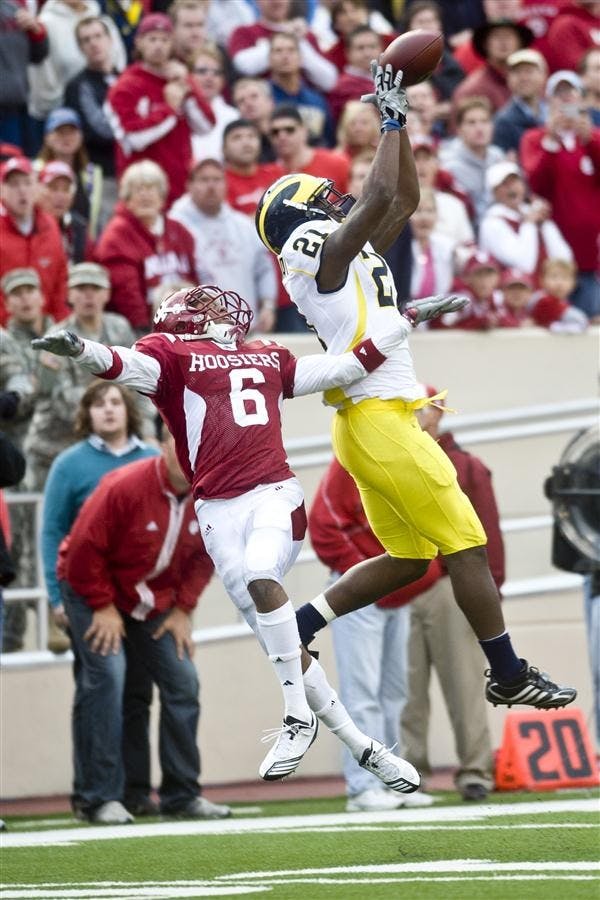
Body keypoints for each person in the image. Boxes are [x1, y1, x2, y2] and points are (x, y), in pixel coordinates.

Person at [254, 58, 577, 711]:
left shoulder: (339, 244)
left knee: (408, 559)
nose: (330, 194)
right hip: (378, 416)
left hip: (376, 419)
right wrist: (391, 117)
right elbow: (375, 198)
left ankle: (298, 627)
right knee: (466, 541)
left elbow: (400, 199)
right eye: (317, 193)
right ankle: (508, 672)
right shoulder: (312, 246)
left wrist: (400, 126)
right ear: (298, 211)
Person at [32, 282, 424, 791]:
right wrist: (80, 349)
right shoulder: (172, 358)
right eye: (199, 307)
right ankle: (361, 745)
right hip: (216, 508)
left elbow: (347, 367)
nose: (208, 310)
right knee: (276, 640)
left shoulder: (267, 356)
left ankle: (294, 716)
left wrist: (405, 319)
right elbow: (118, 363)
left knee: (263, 575)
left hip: (272, 494)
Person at [56, 420, 230, 824]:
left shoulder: (211, 497)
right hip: (91, 590)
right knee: (107, 677)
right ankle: (97, 797)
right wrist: (101, 606)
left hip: (153, 603)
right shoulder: (124, 485)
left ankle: (181, 794)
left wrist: (184, 609)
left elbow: (207, 555)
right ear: (164, 446)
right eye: (182, 447)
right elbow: (82, 551)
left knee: (183, 680)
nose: (191, 458)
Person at [41, 380, 159, 814]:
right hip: (85, 593)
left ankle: (136, 793)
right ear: (86, 413)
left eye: (115, 402)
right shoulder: (69, 465)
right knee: (102, 684)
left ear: (128, 410)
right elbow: (52, 532)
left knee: (138, 692)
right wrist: (56, 598)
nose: (108, 410)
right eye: (98, 404)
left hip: (141, 597)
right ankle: (95, 794)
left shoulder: (151, 458)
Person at [308, 455, 437, 812]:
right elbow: (323, 526)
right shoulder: (353, 459)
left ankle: (392, 781)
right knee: (362, 691)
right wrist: (366, 579)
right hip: (361, 595)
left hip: (397, 592)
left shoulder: (407, 457)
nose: (429, 419)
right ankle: (362, 786)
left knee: (394, 693)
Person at [401, 385, 500, 803]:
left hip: (449, 585)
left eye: (422, 409)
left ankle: (476, 770)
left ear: (437, 413)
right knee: (404, 687)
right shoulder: (394, 457)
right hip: (400, 580)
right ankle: (409, 771)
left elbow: (488, 533)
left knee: (464, 683)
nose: (415, 416)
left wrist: (490, 593)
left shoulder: (465, 465)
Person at [104, 12, 215, 207]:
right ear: (139, 42)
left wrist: (187, 86)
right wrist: (169, 108)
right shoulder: (124, 86)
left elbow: (206, 126)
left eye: (164, 40)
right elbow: (133, 139)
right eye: (152, 39)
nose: (158, 45)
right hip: (142, 194)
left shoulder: (179, 79)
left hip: (182, 190)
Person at [520, 69, 600, 320]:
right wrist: (551, 141)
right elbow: (536, 183)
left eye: (570, 94)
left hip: (591, 258)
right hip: (555, 262)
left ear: (581, 100)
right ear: (549, 101)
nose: (565, 101)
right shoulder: (535, 139)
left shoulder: (594, 138)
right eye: (559, 95)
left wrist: (589, 141)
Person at [169, 158, 277, 332]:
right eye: (204, 180)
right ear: (189, 185)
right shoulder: (174, 228)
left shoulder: (243, 225)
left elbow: (264, 268)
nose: (211, 186)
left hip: (246, 326)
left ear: (225, 184)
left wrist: (268, 305)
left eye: (217, 179)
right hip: (199, 332)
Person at [94, 160, 198, 335]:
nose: (145, 195)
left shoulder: (179, 231)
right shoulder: (117, 235)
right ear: (126, 199)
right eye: (138, 189)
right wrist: (144, 331)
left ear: (162, 195)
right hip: (143, 329)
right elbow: (126, 292)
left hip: (186, 325)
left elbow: (193, 278)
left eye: (151, 188)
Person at [0, 156, 69, 328]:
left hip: (47, 328)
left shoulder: (50, 224)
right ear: (2, 190)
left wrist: (60, 325)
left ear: (37, 187)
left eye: (27, 183)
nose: (22, 190)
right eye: (14, 184)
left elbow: (60, 281)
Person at [479, 160, 573, 283]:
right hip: (514, 295)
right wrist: (529, 223)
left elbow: (565, 258)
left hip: (544, 291)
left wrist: (545, 224)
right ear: (493, 192)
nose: (511, 188)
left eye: (515, 181)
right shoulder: (492, 223)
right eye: (504, 184)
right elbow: (524, 265)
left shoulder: (532, 212)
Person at [64, 15, 119, 222]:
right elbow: (100, 131)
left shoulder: (125, 78)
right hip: (101, 175)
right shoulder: (78, 86)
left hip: (129, 170)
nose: (94, 43)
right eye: (86, 40)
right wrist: (132, 133)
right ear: (80, 48)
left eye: (98, 36)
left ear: (109, 39)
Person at [37, 106, 104, 239]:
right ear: (47, 137)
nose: (66, 138)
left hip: (81, 244)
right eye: (60, 132)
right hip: (43, 239)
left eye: (72, 132)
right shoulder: (35, 171)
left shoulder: (93, 173)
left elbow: (94, 219)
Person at [438, 95, 505, 226]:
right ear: (459, 129)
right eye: (471, 122)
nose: (479, 128)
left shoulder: (498, 157)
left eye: (485, 121)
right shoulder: (449, 167)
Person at [451, 18, 535, 120]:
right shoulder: (472, 90)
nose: (503, 42)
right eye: (496, 36)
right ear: (485, 44)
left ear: (520, 43)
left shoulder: (534, 82)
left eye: (508, 36)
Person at [268, 31, 333, 145]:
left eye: (291, 50)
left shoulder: (317, 100)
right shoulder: (262, 96)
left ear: (301, 58)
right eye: (278, 51)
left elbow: (329, 139)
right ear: (269, 59)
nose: (285, 56)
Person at [492, 48, 548, 156]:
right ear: (508, 79)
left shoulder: (554, 111)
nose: (524, 78)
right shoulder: (503, 122)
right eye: (517, 72)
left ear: (543, 75)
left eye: (529, 71)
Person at [189, 45, 239, 163]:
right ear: (189, 75)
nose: (209, 77)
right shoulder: (178, 112)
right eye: (202, 71)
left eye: (216, 73)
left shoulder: (233, 116)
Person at [37, 161, 92, 264]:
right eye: (53, 188)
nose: (60, 196)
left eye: (66, 189)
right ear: (38, 190)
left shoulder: (79, 228)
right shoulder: (28, 226)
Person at [531, 258, 590, 331]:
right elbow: (581, 321)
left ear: (574, 283)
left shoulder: (564, 301)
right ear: (542, 280)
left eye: (565, 278)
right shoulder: (542, 300)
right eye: (554, 277)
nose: (559, 283)